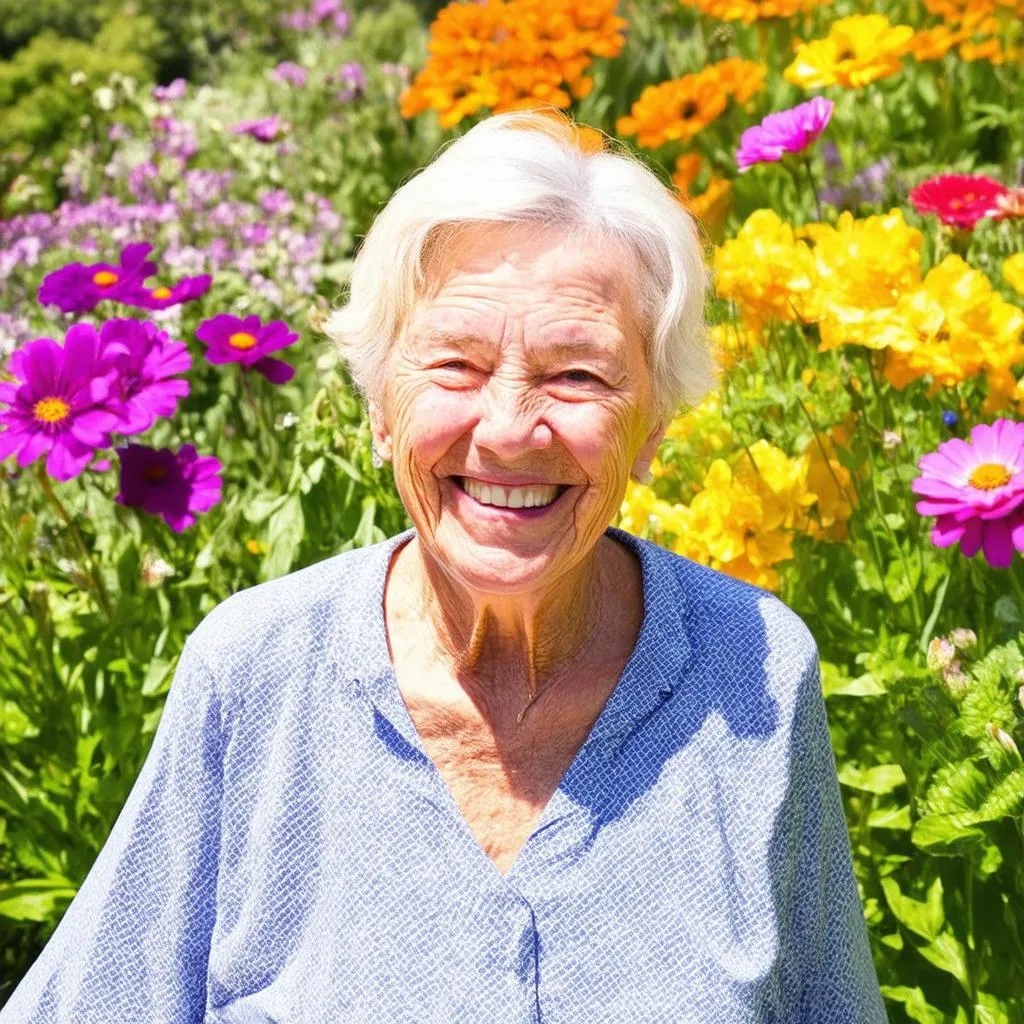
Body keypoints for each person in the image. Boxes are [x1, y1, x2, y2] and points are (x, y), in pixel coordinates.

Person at [0, 109, 887, 1023]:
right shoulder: (256, 675)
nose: (506, 429)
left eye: (577, 376)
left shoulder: (755, 672)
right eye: (455, 366)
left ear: (653, 428)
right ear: (382, 407)